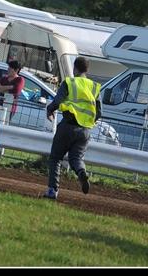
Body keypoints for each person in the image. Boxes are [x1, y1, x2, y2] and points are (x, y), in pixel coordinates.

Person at [43, 56, 101, 200]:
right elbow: (99, 112)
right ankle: (81, 172)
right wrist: (88, 123)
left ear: (75, 68)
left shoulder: (69, 82)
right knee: (76, 159)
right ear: (87, 70)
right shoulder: (94, 87)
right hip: (85, 131)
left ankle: (52, 191)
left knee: (56, 158)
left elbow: (57, 101)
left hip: (68, 126)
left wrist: (50, 110)